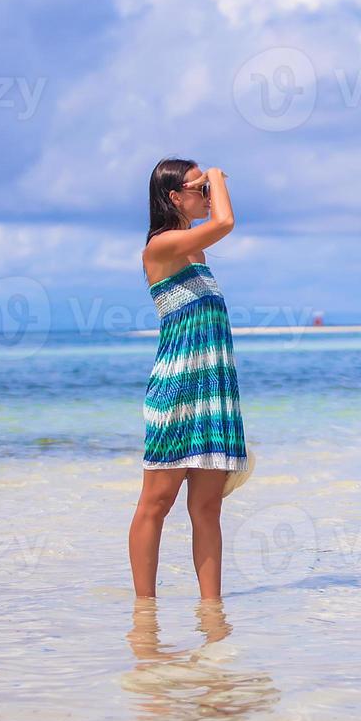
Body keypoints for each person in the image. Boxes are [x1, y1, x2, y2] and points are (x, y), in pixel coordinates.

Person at [130, 158, 248, 600]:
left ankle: (211, 610)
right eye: (196, 187)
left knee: (207, 507)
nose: (205, 194)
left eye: (205, 186)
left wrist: (207, 182)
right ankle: (145, 610)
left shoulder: (196, 256)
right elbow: (226, 222)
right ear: (174, 197)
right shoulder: (162, 247)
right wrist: (217, 177)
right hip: (178, 390)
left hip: (214, 394)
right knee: (156, 504)